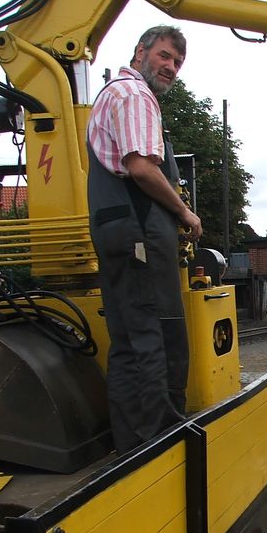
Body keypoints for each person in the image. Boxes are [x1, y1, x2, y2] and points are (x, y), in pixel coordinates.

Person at [87, 26, 202, 455]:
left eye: (177, 62)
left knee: (129, 340)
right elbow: (140, 166)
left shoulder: (111, 94)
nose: (171, 67)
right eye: (165, 56)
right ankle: (158, 446)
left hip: (119, 229)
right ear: (141, 52)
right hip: (137, 232)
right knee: (155, 334)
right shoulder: (134, 95)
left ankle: (131, 440)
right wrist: (183, 211)